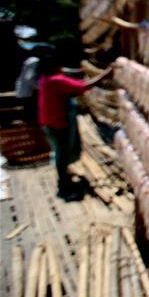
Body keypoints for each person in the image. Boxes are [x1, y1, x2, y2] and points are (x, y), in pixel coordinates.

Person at [37, 55, 112, 197]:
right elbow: (83, 86)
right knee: (61, 153)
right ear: (54, 66)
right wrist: (106, 74)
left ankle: (64, 177)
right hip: (57, 121)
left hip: (47, 121)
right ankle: (64, 185)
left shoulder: (44, 78)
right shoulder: (56, 80)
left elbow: (69, 79)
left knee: (59, 150)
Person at [15, 54, 40, 120]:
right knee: (30, 113)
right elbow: (29, 77)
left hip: (24, 89)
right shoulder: (35, 60)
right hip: (28, 91)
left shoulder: (30, 59)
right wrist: (39, 87)